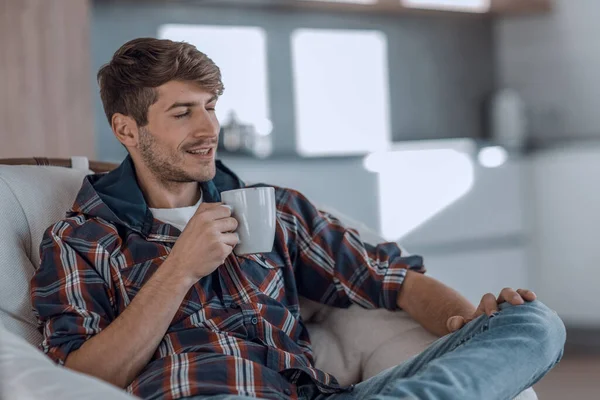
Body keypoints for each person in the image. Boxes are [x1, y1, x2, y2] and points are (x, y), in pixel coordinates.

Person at [30, 38, 565, 400]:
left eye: (211, 105)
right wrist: (178, 270)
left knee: (534, 323)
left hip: (319, 393)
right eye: (183, 112)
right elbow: (83, 377)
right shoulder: (83, 237)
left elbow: (394, 280)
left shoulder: (271, 207)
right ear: (127, 130)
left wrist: (469, 325)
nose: (208, 127)